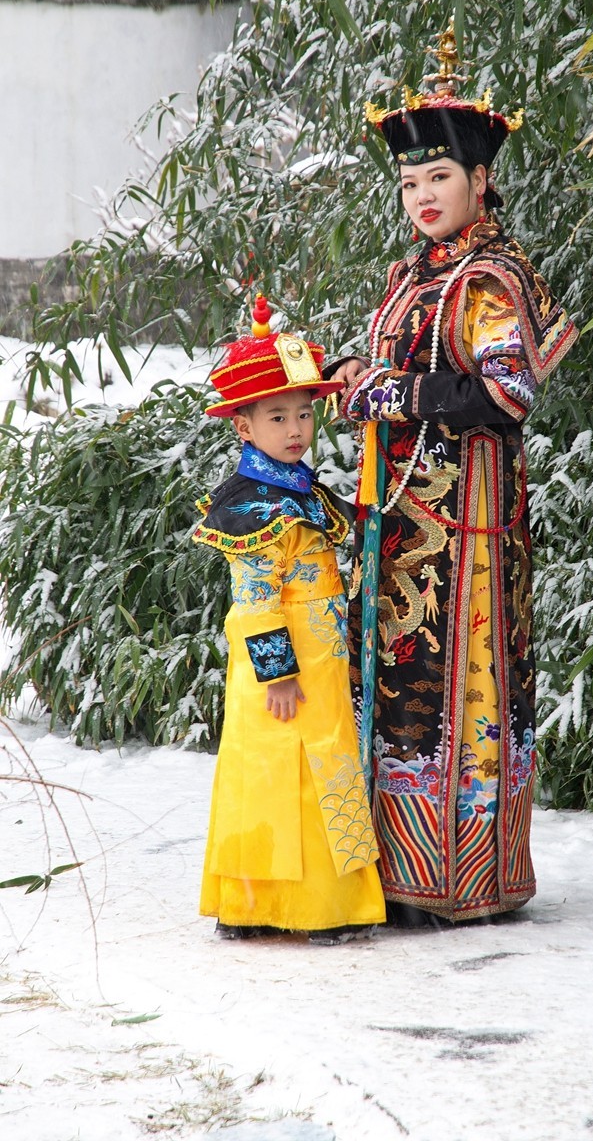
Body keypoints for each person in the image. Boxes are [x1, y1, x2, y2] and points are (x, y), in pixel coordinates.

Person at [335, 22, 579, 927]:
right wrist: (353, 387)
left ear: (480, 181)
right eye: (408, 182)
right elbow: (396, 384)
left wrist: (391, 392)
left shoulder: (489, 276)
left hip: (467, 535)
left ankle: (462, 878)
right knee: (399, 689)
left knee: (455, 692)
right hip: (401, 529)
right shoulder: (410, 275)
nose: (422, 195)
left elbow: (504, 396)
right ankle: (394, 870)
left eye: (439, 177)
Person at [193, 295, 386, 943]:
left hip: (322, 661)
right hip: (281, 668)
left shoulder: (300, 488)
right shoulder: (252, 505)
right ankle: (280, 907)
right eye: (277, 416)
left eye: (303, 413)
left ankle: (304, 905)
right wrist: (276, 673)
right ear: (243, 427)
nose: (296, 427)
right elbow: (253, 599)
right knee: (273, 777)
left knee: (319, 769)